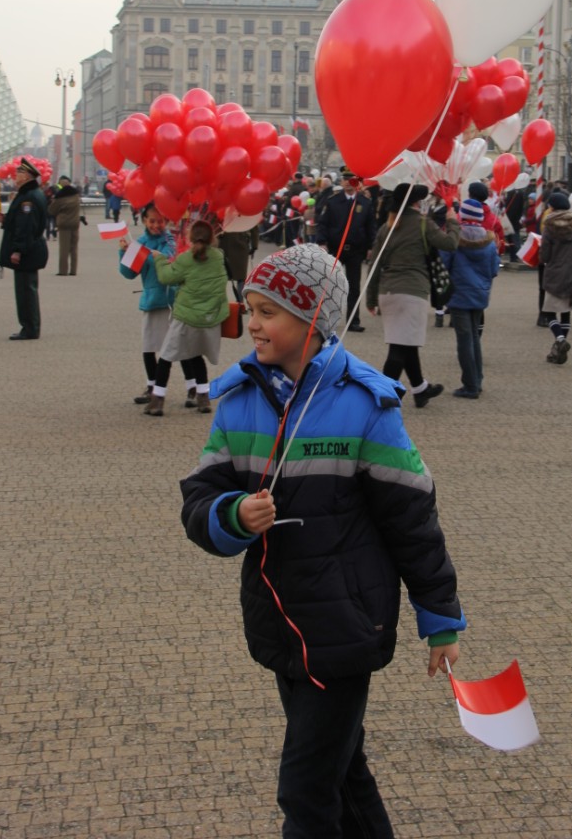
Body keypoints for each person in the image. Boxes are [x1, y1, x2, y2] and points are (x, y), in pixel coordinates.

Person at [179, 244, 465, 838]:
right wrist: (232, 515)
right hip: (278, 622)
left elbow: (412, 519)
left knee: (305, 791)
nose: (251, 323)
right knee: (342, 772)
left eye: (268, 312)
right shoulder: (237, 401)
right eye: (250, 308)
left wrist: (440, 618)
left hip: (345, 627)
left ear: (312, 321)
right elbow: (200, 495)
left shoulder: (366, 404)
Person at [365, 183, 459, 407]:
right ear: (415, 203)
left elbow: (374, 265)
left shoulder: (386, 227)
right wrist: (453, 220)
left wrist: (371, 297)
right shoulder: (422, 223)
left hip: (388, 292)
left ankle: (420, 389)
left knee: (406, 343)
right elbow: (451, 243)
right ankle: (384, 394)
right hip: (412, 291)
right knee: (399, 347)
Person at [146, 219, 230, 416]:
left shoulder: (186, 259)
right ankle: (203, 397)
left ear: (191, 238)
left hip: (186, 316)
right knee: (196, 354)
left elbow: (166, 277)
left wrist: (159, 259)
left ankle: (157, 399)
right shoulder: (218, 257)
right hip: (209, 317)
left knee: (166, 356)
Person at [118, 203, 182, 405]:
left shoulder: (169, 240)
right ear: (144, 221)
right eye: (152, 221)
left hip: (169, 300)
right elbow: (129, 273)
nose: (156, 225)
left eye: (160, 221)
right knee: (148, 346)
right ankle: (151, 385)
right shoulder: (140, 242)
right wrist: (124, 253)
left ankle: (193, 387)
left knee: (175, 347)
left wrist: (143, 252)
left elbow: (168, 258)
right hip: (151, 300)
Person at [442, 198, 500, 397]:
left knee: (464, 339)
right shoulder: (489, 242)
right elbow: (494, 270)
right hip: (480, 293)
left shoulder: (454, 238)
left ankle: (470, 385)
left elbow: (444, 263)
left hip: (459, 292)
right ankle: (478, 379)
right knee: (474, 336)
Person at [316, 167, 376, 332]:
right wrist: (322, 242)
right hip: (335, 249)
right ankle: (325, 319)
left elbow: (371, 227)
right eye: (345, 179)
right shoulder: (333, 201)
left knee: (354, 286)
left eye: (351, 179)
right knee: (330, 285)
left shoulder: (365, 203)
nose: (348, 183)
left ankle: (353, 320)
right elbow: (323, 224)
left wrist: (372, 246)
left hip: (356, 250)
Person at [0, 157, 49, 340]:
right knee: (27, 289)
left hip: (27, 250)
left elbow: (26, 227)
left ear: (27, 176)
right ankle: (29, 326)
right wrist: (6, 220)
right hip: (31, 248)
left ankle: (30, 328)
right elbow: (19, 222)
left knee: (26, 292)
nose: (15, 175)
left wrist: (18, 250)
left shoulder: (29, 198)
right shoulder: (29, 194)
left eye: (19, 172)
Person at [539, 191, 572, 364]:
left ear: (552, 207)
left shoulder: (549, 226)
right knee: (566, 312)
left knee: (549, 312)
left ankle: (560, 340)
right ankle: (559, 350)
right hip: (571, 272)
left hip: (554, 273)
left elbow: (545, 255)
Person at [48, 175, 82, 275]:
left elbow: (51, 210)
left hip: (64, 224)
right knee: (74, 248)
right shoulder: (76, 196)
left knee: (64, 249)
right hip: (75, 224)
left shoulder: (60, 197)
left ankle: (63, 271)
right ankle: (73, 270)